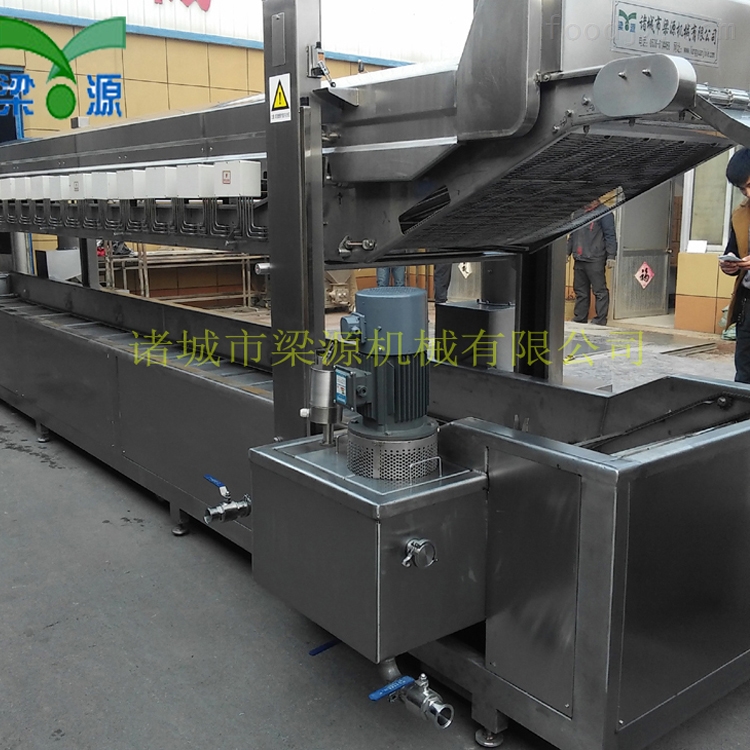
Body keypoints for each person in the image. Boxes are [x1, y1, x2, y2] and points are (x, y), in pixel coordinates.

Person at [720, 148, 750, 383]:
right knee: (744, 370)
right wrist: (730, 265)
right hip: (747, 303)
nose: (748, 193)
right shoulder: (739, 215)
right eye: (742, 189)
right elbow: (733, 251)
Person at [566, 199, 618, 326]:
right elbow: (573, 235)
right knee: (580, 290)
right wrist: (567, 252)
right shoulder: (578, 213)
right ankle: (580, 317)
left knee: (599, 290)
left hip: (596, 258)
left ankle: (600, 319)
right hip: (579, 257)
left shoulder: (604, 213)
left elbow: (610, 236)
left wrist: (611, 256)